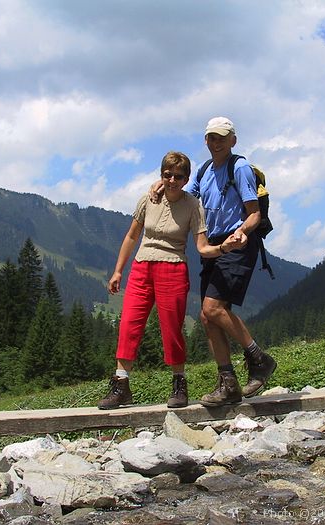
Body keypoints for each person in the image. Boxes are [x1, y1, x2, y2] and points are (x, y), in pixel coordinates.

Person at [97, 151, 241, 410]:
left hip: (173, 268)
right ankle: (121, 386)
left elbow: (202, 247)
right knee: (129, 324)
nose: (172, 180)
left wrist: (223, 248)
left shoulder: (192, 205)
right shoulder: (147, 199)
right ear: (161, 175)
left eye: (178, 176)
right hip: (141, 267)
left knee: (171, 329)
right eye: (167, 175)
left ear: (186, 179)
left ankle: (178, 383)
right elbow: (132, 236)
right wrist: (119, 270)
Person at [151, 117, 277, 406]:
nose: (216, 143)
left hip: (238, 244)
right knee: (208, 317)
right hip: (212, 246)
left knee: (212, 307)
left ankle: (259, 359)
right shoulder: (205, 170)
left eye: (221, 137)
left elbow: (254, 213)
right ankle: (228, 383)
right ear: (205, 141)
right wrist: (159, 185)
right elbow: (185, 197)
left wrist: (241, 233)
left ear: (233, 140)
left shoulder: (240, 168)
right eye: (211, 137)